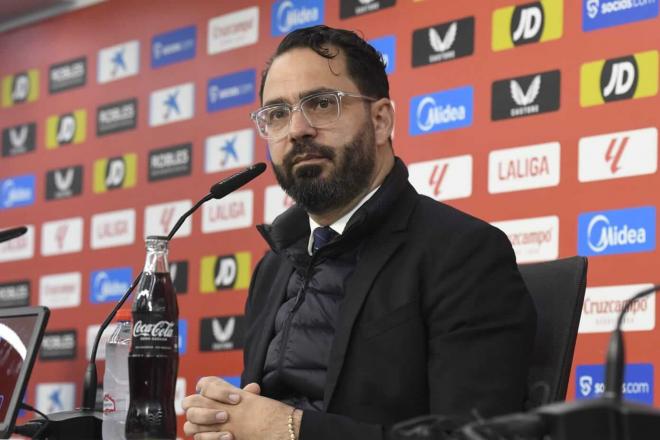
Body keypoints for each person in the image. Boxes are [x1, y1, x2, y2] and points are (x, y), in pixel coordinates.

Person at [183, 25, 536, 440]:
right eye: (277, 114)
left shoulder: (464, 252)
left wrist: (290, 429)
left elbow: (477, 436)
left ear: (381, 120)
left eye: (320, 104)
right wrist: (226, 420)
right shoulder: (273, 267)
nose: (297, 129)